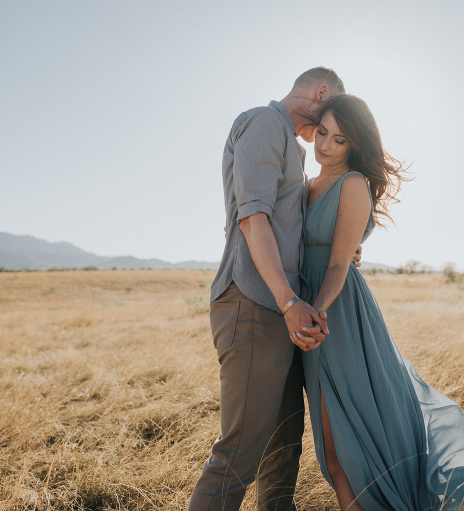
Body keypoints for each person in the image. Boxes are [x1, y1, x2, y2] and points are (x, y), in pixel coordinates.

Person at [292, 94, 464, 511]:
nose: (326, 146)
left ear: (356, 145)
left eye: (340, 139)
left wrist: (316, 312)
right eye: (324, 133)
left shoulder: (352, 184)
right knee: (332, 456)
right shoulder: (306, 186)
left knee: (349, 449)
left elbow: (337, 265)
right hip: (308, 312)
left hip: (337, 316)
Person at [188, 67, 358, 511]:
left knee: (283, 454)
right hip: (255, 304)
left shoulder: (293, 149)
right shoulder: (264, 123)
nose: (325, 134)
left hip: (283, 312)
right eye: (329, 114)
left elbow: (285, 227)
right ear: (321, 92)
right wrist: (288, 302)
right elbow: (251, 218)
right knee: (239, 454)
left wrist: (340, 250)